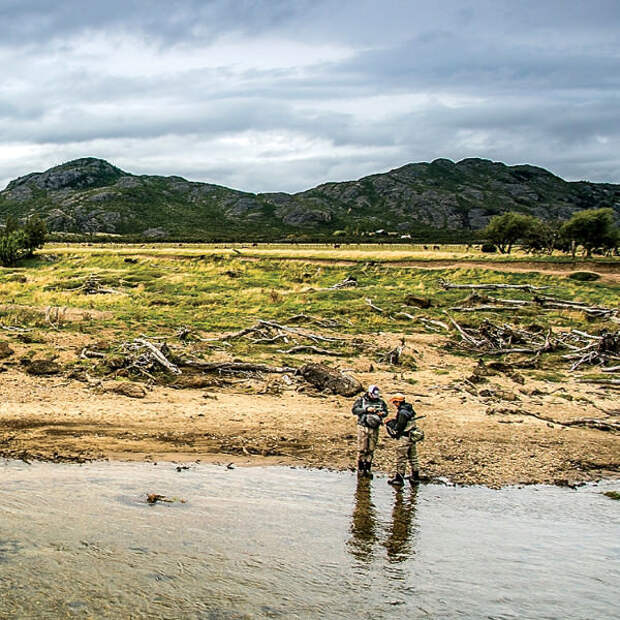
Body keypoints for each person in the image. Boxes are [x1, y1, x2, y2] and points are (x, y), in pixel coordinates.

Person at [385, 393, 424, 487]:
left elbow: (399, 427)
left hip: (405, 437)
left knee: (401, 458)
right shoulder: (409, 408)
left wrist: (390, 423)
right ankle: (415, 477)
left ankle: (399, 479)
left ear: (398, 402)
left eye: (394, 402)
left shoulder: (402, 412)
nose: (394, 404)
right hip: (412, 436)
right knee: (413, 457)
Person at [351, 385, 388, 478]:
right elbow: (355, 410)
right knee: (362, 449)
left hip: (374, 428)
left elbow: (385, 412)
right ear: (369, 393)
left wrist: (381, 413)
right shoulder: (361, 400)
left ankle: (368, 468)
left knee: (371, 449)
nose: (374, 397)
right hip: (363, 426)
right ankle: (360, 468)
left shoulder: (380, 402)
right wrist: (366, 410)